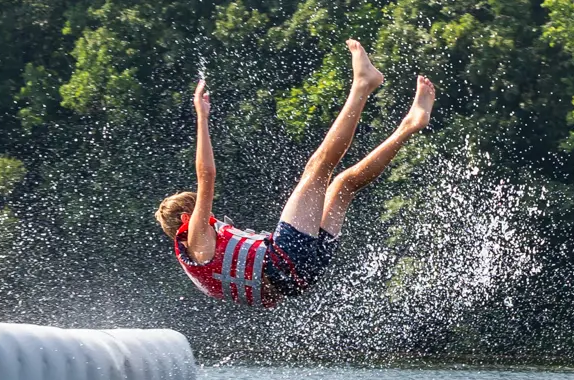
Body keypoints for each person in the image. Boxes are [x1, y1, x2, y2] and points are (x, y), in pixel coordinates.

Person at [156, 41, 434, 306]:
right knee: (318, 167)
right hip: (284, 260)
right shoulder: (196, 240)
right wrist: (202, 117)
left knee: (344, 185)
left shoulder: (198, 264)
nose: (209, 216)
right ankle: (362, 85)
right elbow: (206, 175)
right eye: (202, 213)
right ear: (185, 219)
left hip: (300, 276)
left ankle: (410, 124)